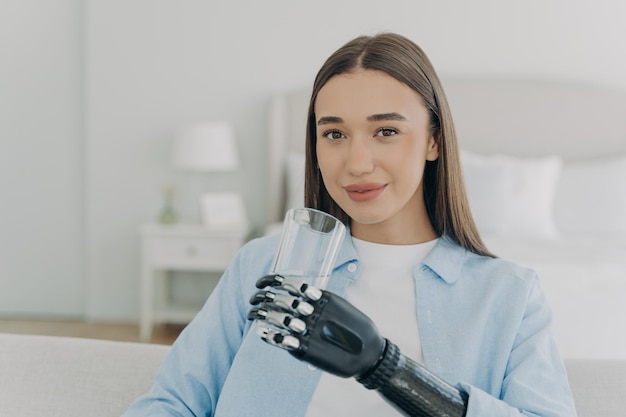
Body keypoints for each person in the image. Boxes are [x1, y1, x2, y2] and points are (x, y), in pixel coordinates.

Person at [122, 33, 577, 416]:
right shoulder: (260, 266)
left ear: (434, 140)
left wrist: (388, 369)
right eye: (334, 134)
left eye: (386, 131)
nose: (357, 164)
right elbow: (169, 403)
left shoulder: (510, 297)